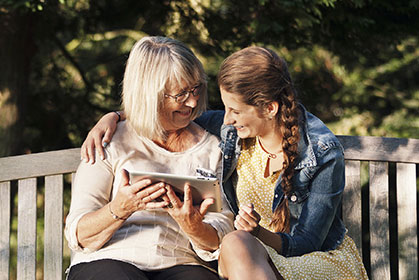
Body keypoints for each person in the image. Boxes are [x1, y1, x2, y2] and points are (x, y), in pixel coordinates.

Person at [81, 46, 368, 279]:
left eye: (234, 110)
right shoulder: (233, 131)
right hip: (251, 256)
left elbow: (307, 244)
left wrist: (258, 233)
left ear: (270, 108)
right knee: (235, 242)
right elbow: (159, 112)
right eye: (225, 107)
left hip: (309, 259)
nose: (225, 117)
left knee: (236, 242)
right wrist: (116, 116)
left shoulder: (322, 151)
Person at [64, 36, 233, 280]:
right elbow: (78, 233)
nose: (193, 101)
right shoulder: (110, 140)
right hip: (112, 259)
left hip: (182, 262)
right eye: (180, 94)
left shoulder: (211, 149)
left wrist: (194, 226)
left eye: (196, 88)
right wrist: (119, 209)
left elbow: (222, 229)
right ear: (150, 94)